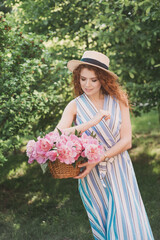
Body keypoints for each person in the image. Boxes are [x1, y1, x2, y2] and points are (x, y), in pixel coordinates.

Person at [56, 51, 154, 240]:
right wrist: (90, 122)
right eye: (83, 79)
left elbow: (127, 141)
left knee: (127, 220)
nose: (87, 84)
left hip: (119, 168)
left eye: (93, 80)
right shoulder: (74, 106)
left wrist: (99, 158)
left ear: (103, 79)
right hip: (90, 175)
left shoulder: (119, 100)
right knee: (102, 222)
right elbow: (57, 135)